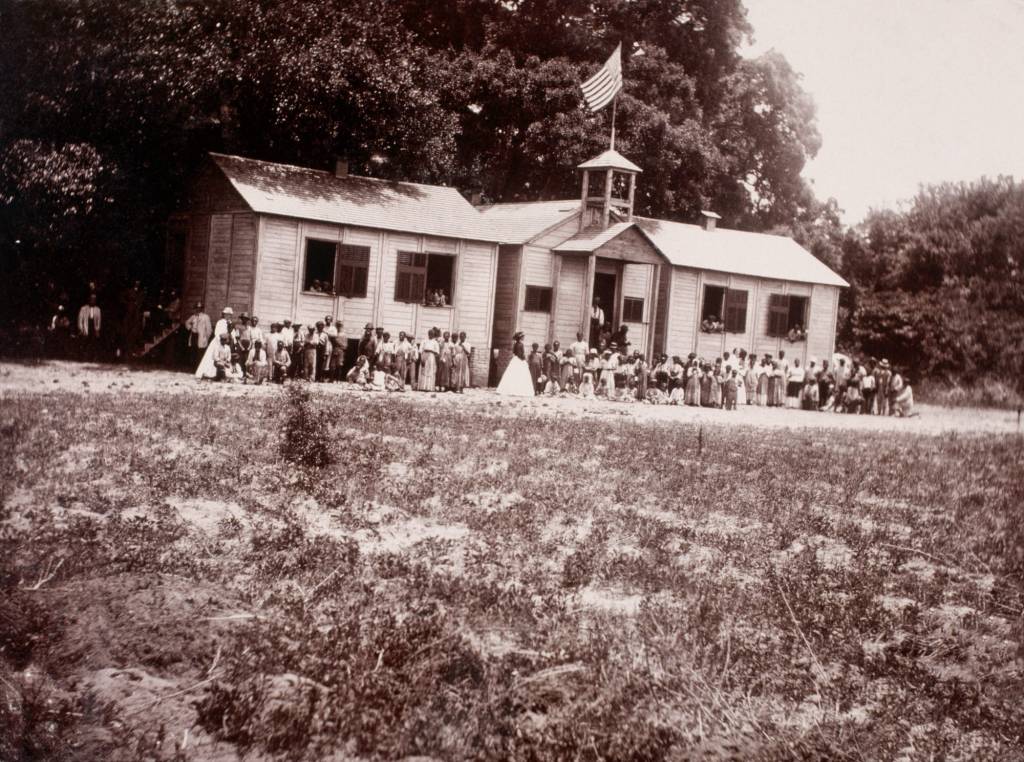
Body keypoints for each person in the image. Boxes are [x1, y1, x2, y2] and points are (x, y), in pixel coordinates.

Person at [496, 331, 535, 396]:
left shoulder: (516, 344)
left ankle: (511, 389)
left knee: (513, 375)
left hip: (515, 360)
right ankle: (518, 390)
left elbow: (515, 353)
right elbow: (520, 354)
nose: (524, 338)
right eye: (523, 337)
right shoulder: (521, 344)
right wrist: (524, 359)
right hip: (519, 360)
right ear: (520, 338)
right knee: (520, 375)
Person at [185, 302, 212, 368]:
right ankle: (193, 367)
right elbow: (187, 322)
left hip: (201, 337)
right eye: (197, 308)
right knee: (193, 350)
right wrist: (190, 328)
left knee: (200, 352)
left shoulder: (205, 317)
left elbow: (209, 329)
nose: (198, 310)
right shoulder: (193, 316)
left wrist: (206, 338)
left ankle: (199, 367)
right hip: (194, 335)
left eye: (199, 308)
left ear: (201, 309)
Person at [77, 293, 102, 361]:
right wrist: (81, 329)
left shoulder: (98, 309)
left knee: (93, 344)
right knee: (85, 343)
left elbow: (99, 320)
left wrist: (97, 330)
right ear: (89, 299)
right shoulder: (83, 308)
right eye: (91, 299)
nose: (93, 301)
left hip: (93, 327)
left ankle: (93, 358)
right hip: (86, 327)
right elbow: (80, 319)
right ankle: (83, 358)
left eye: (94, 299)